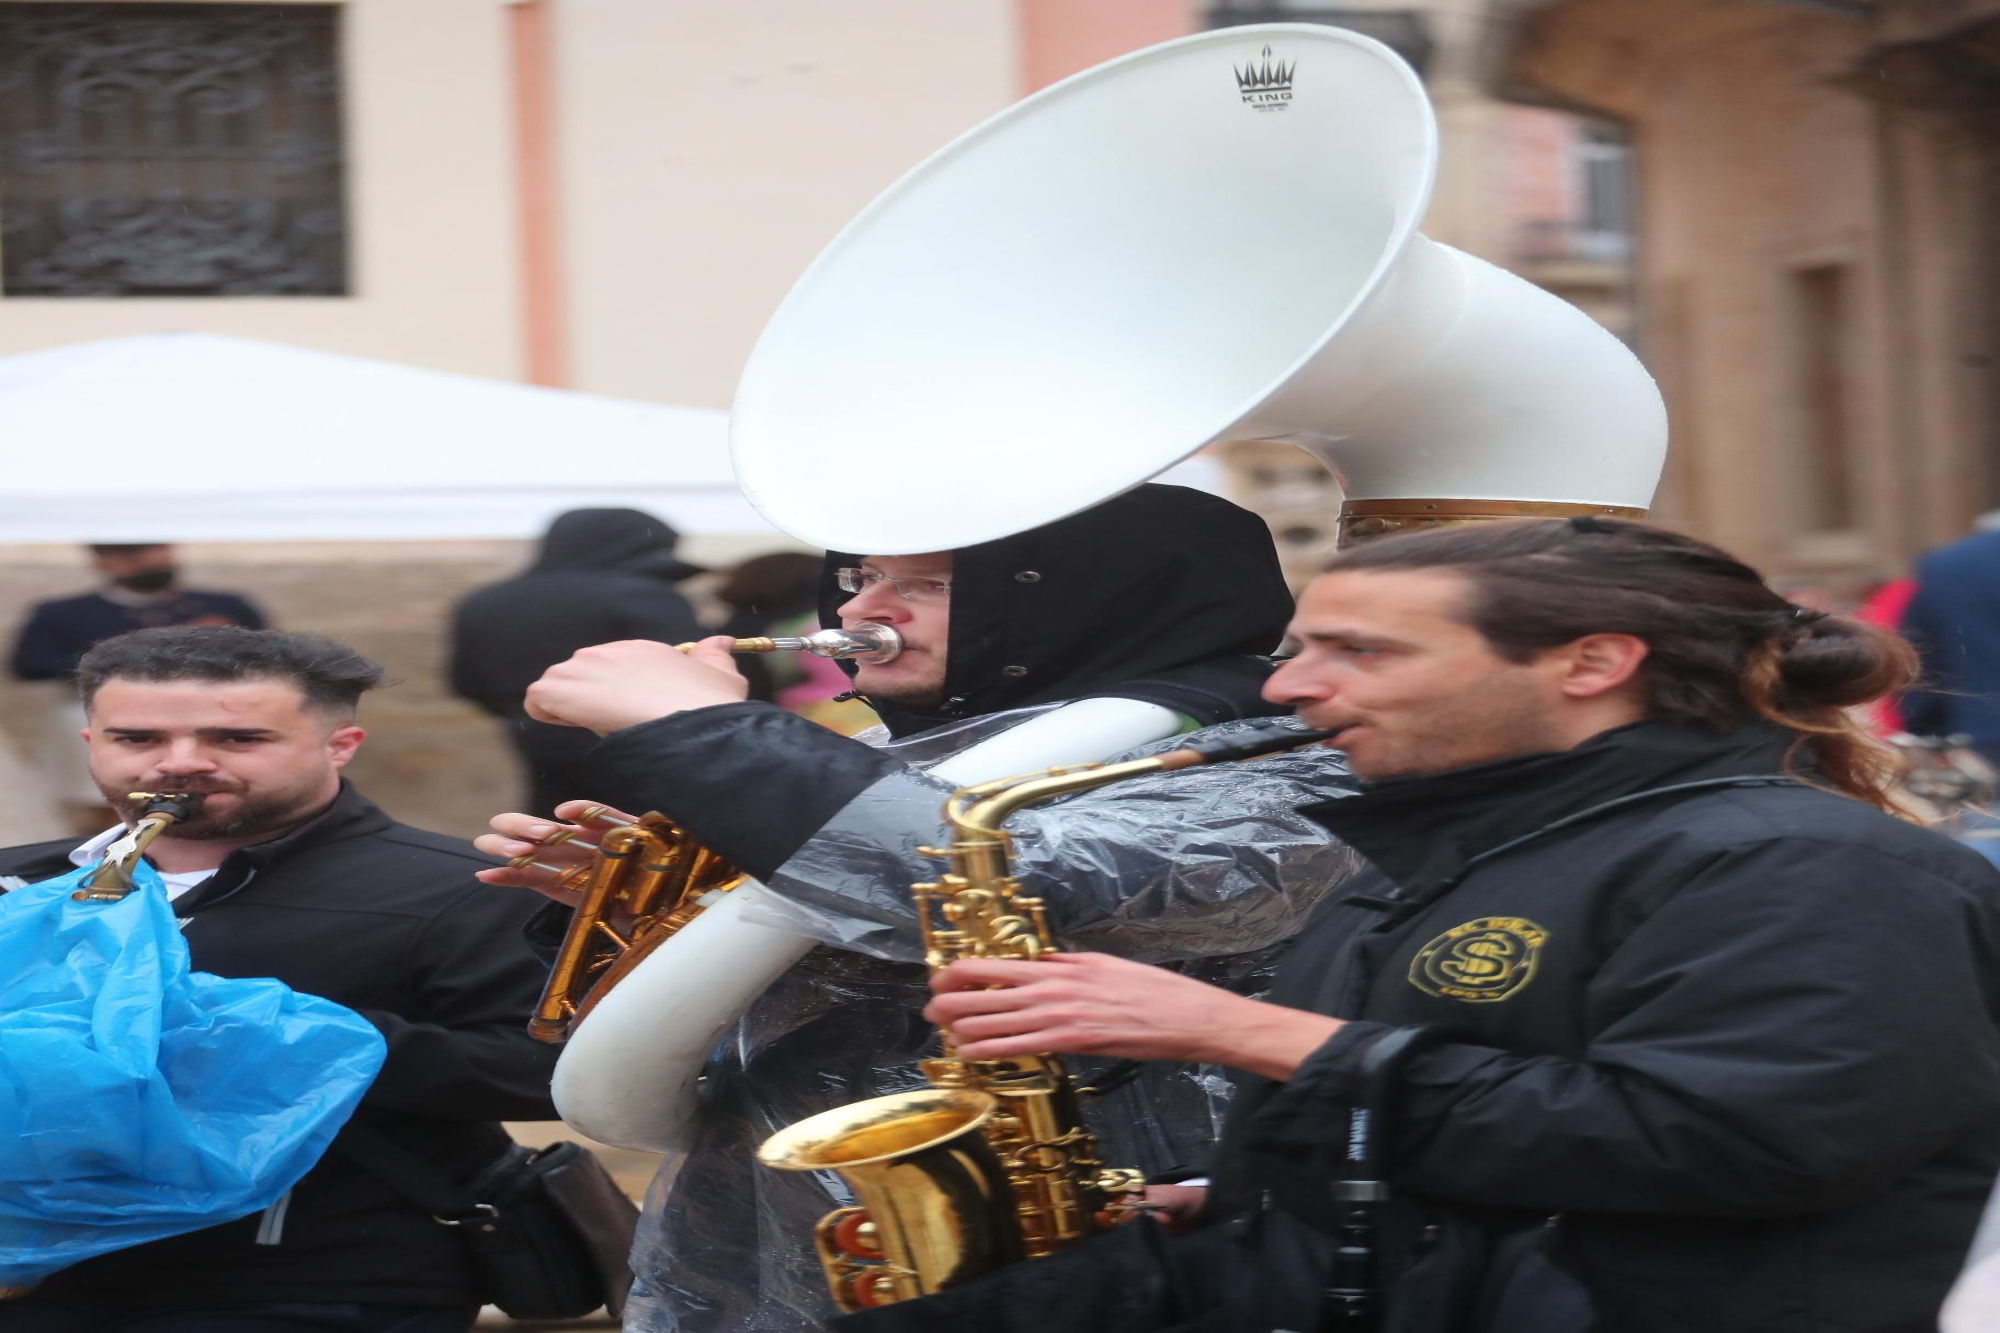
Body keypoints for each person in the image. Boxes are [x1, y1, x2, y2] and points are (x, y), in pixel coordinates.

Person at [898, 517, 2000, 1333]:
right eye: (1301, 646)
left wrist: (1250, 1034)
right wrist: (1266, 1192)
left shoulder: (1802, 863)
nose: (1290, 689)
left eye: (1361, 651)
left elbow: (1745, 1145)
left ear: (1591, 663)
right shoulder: (1453, 847)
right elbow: (1493, 1110)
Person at [476, 482, 1361, 1333]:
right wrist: (652, 909)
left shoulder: (1269, 764)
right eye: (860, 576)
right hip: (780, 1221)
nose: (866, 610)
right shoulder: (901, 749)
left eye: (928, 585)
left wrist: (698, 730)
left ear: (1093, 599)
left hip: (1102, 1231)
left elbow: (1018, 887)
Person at [0, 626, 561, 1333]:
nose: (180, 763)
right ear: (91, 744)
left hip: (308, 1283)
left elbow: (547, 1074)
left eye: (237, 740)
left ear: (340, 745)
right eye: (137, 739)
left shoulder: (469, 887)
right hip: (34, 1280)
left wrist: (290, 1039)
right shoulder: (17, 881)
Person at [449, 508, 704, 817]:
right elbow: (690, 673)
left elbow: (466, 683)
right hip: (638, 738)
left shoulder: (485, 601)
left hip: (532, 732)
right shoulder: (643, 595)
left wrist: (532, 711)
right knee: (653, 835)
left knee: (561, 827)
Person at [9, 543, 266, 833]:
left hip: (215, 712)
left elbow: (266, 657)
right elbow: (30, 665)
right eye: (133, 556)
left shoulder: (224, 606)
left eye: (158, 554)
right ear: (103, 561)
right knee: (114, 801)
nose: (150, 563)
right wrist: (126, 661)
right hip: (100, 712)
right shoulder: (63, 612)